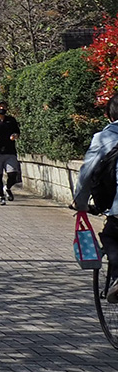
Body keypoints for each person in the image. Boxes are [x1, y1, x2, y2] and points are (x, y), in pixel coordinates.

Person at [73, 97, 118, 302]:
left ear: (109, 114)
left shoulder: (106, 138)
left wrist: (81, 204)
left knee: (111, 236)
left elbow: (86, 174)